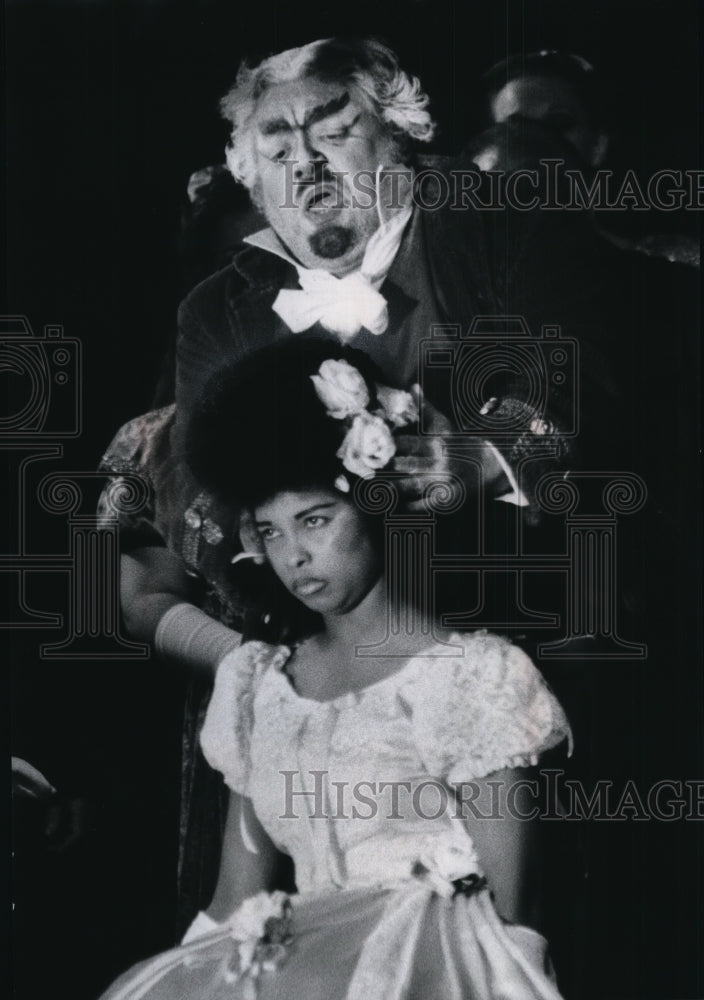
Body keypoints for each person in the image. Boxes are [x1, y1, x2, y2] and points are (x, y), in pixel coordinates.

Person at [98, 336, 573, 1000]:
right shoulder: (257, 687)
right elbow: (236, 904)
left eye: (315, 520)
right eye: (270, 531)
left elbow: (513, 924)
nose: (293, 555)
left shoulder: (476, 680)